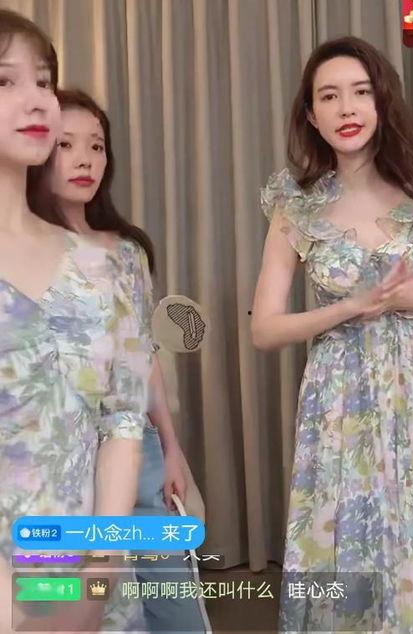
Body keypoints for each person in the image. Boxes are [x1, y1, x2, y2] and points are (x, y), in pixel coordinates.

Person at [251, 36, 413, 633]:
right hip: (337, 397)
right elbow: (265, 329)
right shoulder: (296, 205)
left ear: (381, 101)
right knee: (342, 531)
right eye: (329, 96)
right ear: (312, 115)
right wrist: (350, 307)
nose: (347, 108)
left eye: (360, 92)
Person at [0, 9, 151, 633]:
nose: (39, 98)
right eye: (5, 81)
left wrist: (98, 573)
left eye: (44, 80)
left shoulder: (104, 265)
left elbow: (123, 418)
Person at [37, 87, 206, 633]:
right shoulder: (19, 252)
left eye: (97, 146)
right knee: (94, 606)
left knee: (174, 605)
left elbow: (143, 356)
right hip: (62, 456)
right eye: (66, 145)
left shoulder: (128, 251)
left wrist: (172, 449)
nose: (85, 159)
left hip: (138, 445)